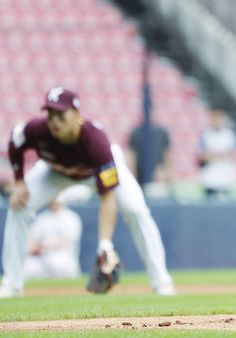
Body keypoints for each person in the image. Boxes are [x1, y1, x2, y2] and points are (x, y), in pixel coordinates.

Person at [0, 87, 176, 298]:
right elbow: (15, 141)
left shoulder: (96, 142)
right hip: (55, 171)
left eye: (61, 115)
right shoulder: (37, 129)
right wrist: (19, 181)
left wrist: (104, 245)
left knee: (136, 211)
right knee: (19, 206)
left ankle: (162, 282)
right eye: (51, 114)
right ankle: (12, 284)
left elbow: (107, 199)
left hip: (95, 170)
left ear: (76, 115)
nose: (55, 121)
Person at [23, 197, 82, 280]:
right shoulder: (41, 218)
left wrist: (42, 246)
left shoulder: (71, 217)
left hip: (62, 255)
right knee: (27, 265)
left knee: (57, 262)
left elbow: (65, 242)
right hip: (42, 257)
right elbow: (32, 240)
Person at [197, 108, 236, 197]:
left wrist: (213, 155)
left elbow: (234, 155)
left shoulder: (230, 134)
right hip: (210, 178)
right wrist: (222, 155)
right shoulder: (205, 134)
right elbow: (203, 156)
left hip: (226, 178)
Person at [126, 120, 172, 189]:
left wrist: (166, 173)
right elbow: (131, 158)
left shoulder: (161, 133)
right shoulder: (136, 133)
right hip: (141, 179)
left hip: (159, 179)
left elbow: (167, 157)